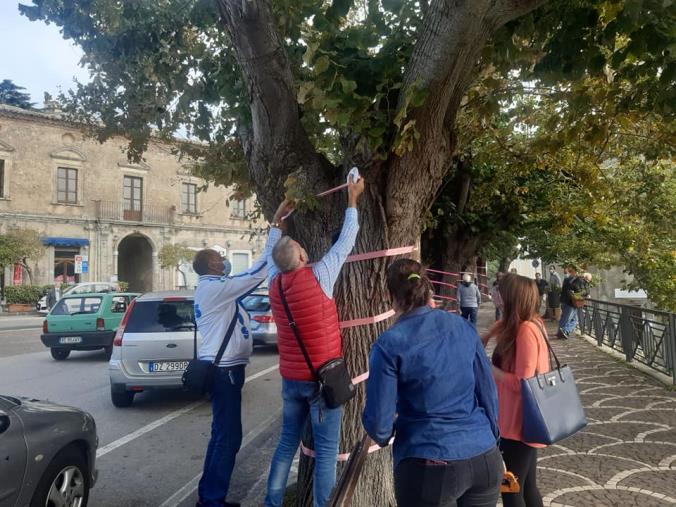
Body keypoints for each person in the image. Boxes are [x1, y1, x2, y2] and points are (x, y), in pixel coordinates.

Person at [363, 259, 502, 507]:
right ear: (428, 288)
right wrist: (490, 437)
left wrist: (386, 433)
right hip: (483, 454)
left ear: (390, 296)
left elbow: (379, 424)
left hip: (429, 460)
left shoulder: (388, 344)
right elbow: (487, 391)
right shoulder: (462, 325)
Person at [264, 174, 365, 507]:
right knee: (325, 453)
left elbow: (271, 250)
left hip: (291, 380)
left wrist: (278, 220)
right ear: (304, 257)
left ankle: (272, 502)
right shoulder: (321, 276)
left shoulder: (274, 282)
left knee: (284, 446)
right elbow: (346, 240)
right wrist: (352, 199)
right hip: (320, 382)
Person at [191, 199, 293, 507]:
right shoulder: (214, 289)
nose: (223, 261)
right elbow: (259, 270)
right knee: (227, 437)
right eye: (219, 259)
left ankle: (209, 497)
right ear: (211, 266)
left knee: (222, 436)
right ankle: (211, 500)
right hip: (223, 373)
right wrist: (275, 228)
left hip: (224, 370)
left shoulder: (215, 288)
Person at [482, 273, 550, 507]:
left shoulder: (525, 331)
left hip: (518, 423)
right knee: (527, 486)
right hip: (519, 421)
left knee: (511, 489)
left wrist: (489, 369)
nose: (494, 293)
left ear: (512, 296)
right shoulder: (524, 324)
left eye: (499, 290)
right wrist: (486, 335)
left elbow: (523, 382)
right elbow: (500, 326)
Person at [557, 266, 589, 340]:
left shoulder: (567, 279)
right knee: (570, 320)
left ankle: (560, 332)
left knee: (568, 319)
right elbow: (580, 292)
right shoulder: (578, 280)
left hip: (565, 301)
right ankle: (564, 331)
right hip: (570, 303)